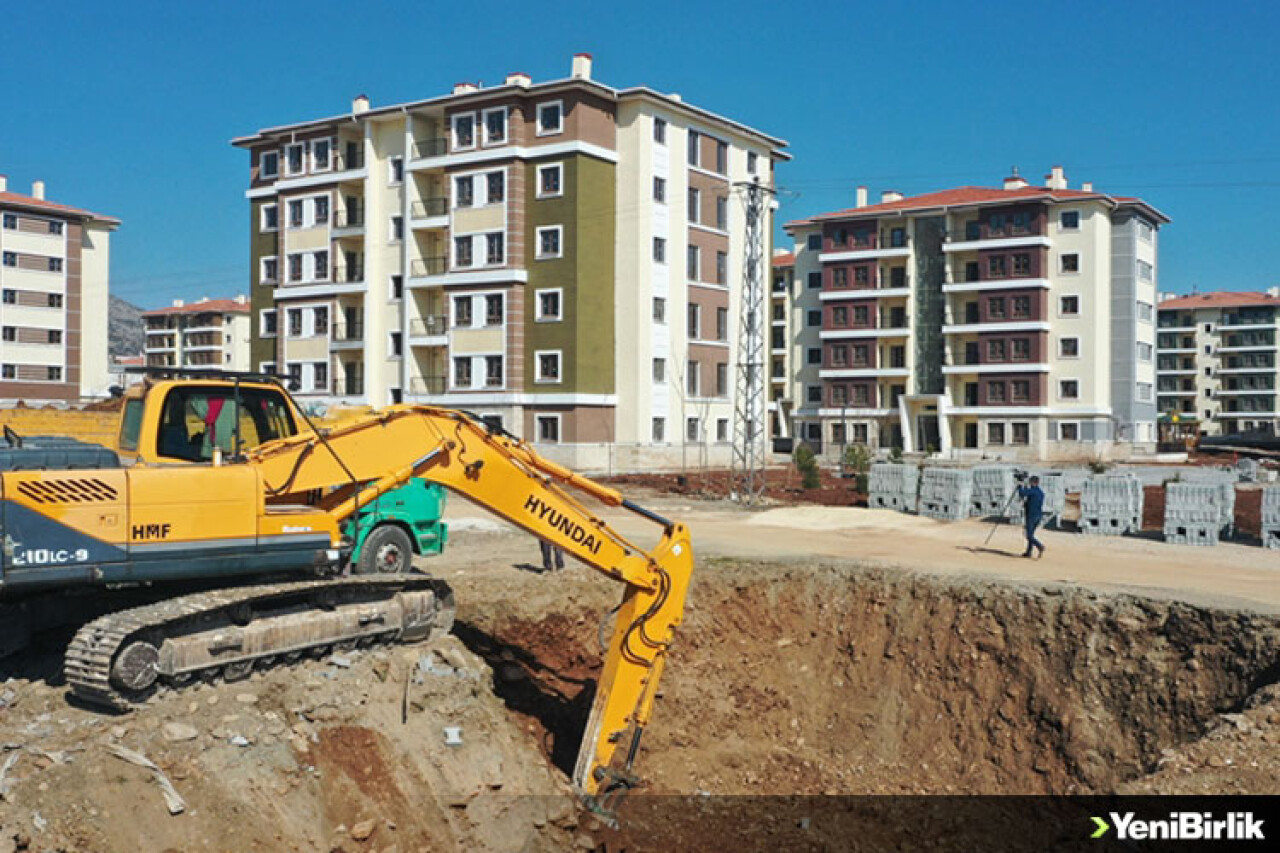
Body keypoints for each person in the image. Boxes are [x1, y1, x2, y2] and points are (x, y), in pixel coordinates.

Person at [1017, 474, 1046, 559]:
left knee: (1029, 535)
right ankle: (1028, 552)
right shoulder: (1040, 492)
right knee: (1031, 534)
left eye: (1030, 482)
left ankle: (1040, 546)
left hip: (1031, 515)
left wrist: (1020, 486)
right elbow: (1027, 495)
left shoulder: (1033, 491)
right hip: (1038, 515)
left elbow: (1022, 494)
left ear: (1033, 483)